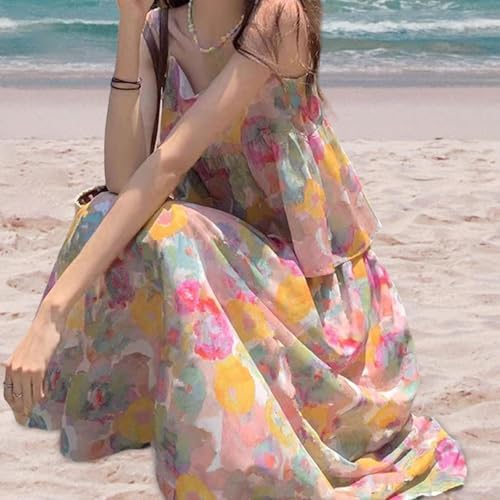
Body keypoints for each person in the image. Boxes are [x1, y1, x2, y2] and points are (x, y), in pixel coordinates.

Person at [2, 0, 467, 498]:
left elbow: (168, 164)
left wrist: (53, 311)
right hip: (224, 260)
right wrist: (130, 23)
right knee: (104, 213)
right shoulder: (163, 29)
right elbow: (123, 177)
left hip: (310, 292)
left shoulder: (277, 18)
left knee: (170, 227)